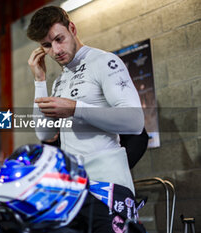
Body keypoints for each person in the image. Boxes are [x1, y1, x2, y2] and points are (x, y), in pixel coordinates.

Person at [27, 6, 146, 233]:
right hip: (74, 189)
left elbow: (134, 121)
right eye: (47, 45)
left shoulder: (104, 62)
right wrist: (39, 81)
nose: (56, 51)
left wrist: (75, 108)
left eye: (59, 39)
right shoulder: (60, 82)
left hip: (108, 187)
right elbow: (45, 134)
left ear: (72, 28)